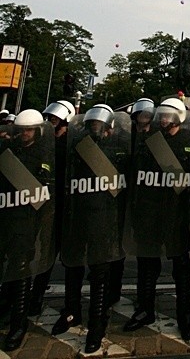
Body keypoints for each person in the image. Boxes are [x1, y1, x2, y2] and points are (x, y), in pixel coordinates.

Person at [53, 105, 130, 354]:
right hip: (79, 218)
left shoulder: (119, 152)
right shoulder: (77, 149)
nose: (95, 130)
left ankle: (97, 324)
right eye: (92, 125)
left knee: (99, 273)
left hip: (105, 220)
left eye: (99, 126)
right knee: (73, 268)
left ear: (109, 128)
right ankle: (71, 311)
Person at [123, 97, 190, 340]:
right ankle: (145, 309)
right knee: (147, 262)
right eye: (161, 114)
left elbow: (183, 177)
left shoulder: (187, 141)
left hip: (175, 214)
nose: (164, 118)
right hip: (149, 212)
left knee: (181, 266)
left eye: (168, 115)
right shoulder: (148, 140)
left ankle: (184, 314)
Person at [0, 109, 55, 349]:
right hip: (6, 217)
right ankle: (5, 308)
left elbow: (45, 189)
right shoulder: (9, 150)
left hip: (27, 219)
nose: (25, 134)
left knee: (21, 268)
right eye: (22, 130)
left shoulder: (44, 153)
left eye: (29, 130)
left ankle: (18, 323)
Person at [29, 99, 76, 316]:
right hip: (47, 206)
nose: (50, 122)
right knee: (44, 256)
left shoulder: (72, 143)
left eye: (55, 119)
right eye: (49, 118)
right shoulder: (44, 142)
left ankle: (71, 306)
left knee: (70, 260)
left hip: (67, 207)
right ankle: (35, 299)